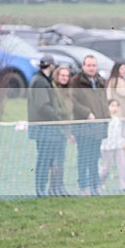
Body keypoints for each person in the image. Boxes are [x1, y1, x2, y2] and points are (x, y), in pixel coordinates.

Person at [69, 55, 109, 195]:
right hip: (84, 126)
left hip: (98, 126)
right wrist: (87, 113)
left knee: (94, 158)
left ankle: (95, 186)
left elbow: (104, 102)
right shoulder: (76, 82)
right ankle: (83, 187)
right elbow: (73, 102)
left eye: (94, 65)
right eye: (89, 65)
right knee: (83, 158)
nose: (91, 68)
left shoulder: (100, 81)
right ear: (83, 66)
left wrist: (106, 119)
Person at [27, 54, 62, 197]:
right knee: (44, 159)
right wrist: (57, 114)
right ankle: (40, 189)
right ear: (51, 66)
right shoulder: (41, 82)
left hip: (42, 127)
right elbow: (43, 106)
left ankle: (41, 189)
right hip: (44, 128)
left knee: (45, 158)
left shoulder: (40, 79)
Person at [49, 66, 74, 196]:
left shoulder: (68, 91)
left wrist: (70, 132)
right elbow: (60, 111)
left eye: (67, 76)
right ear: (57, 76)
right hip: (56, 129)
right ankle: (53, 188)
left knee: (61, 160)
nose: (64, 78)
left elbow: (69, 112)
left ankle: (60, 186)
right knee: (56, 160)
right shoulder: (54, 89)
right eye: (62, 75)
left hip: (65, 130)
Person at [98, 99, 125, 193]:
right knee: (106, 167)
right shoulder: (105, 118)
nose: (115, 108)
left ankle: (124, 186)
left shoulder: (117, 119)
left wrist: (123, 143)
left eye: (116, 106)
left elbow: (119, 133)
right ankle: (99, 182)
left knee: (122, 165)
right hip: (107, 146)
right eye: (112, 106)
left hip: (118, 146)